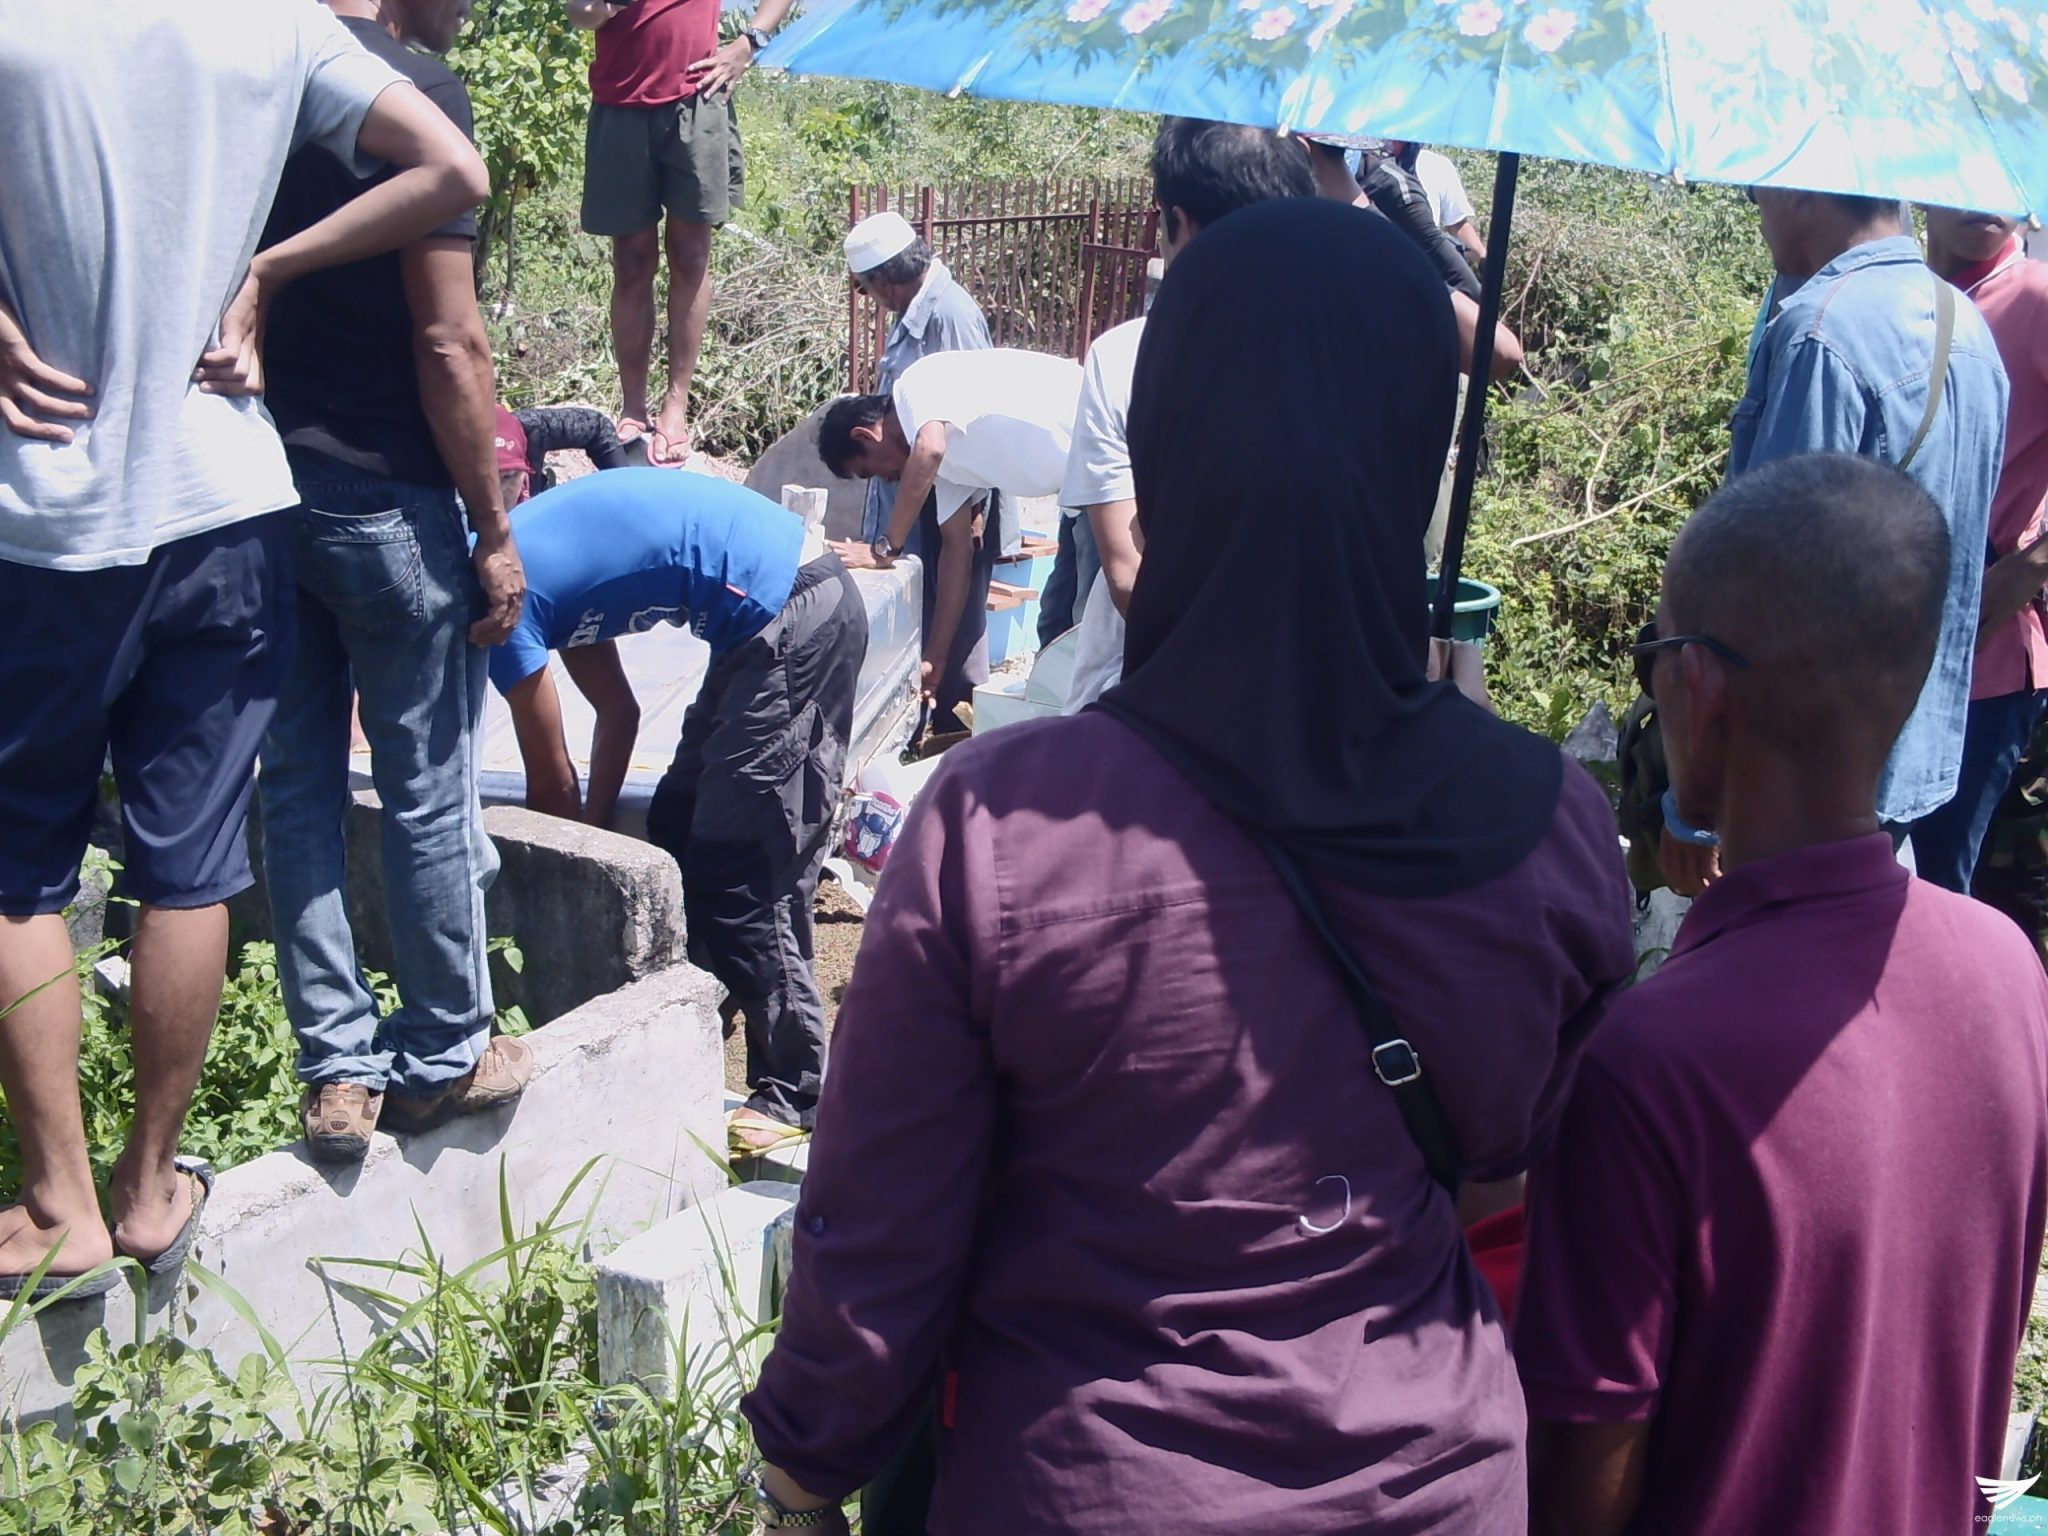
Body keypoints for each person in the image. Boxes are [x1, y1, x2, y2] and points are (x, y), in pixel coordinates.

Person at [740, 198, 1635, 1535]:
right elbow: (1509, 1187)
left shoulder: (1002, 826)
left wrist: (804, 1484)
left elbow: (879, 1244)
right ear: (1416, 460)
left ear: (1159, 452)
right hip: (1437, 1487)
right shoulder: (1549, 826)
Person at [0, 0, 489, 1293]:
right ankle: (151, 1188)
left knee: (18, 875)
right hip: (227, 501)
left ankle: (57, 1204)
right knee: (190, 869)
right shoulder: (274, 28)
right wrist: (267, 269)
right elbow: (454, 170)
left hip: (45, 517)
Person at [1518, 453, 2048, 1536]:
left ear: (1699, 689)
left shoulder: (1648, 1061)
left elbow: (1582, 1486)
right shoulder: (2008, 973)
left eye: (1653, 656)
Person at [257, 0, 531, 1167]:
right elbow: (448, 340)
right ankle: (444, 1050)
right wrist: (492, 525)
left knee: (295, 784)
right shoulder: (406, 95)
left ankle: (335, 1067)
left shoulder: (248, 77)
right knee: (426, 783)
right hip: (386, 502)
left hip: (253, 485)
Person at [488, 468, 867, 1157]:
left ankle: (797, 1090)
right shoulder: (537, 582)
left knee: (745, 867)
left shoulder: (497, 606)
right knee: (675, 823)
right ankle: (704, 1010)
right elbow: (618, 714)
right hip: (760, 621)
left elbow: (551, 789)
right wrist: (595, 836)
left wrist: (555, 895)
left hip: (794, 611)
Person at [1658, 188, 2008, 895]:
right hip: (1908, 762)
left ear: (1800, 192)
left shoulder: (1820, 332)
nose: (1757, 214)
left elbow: (1766, 589)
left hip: (1799, 787)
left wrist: (1696, 806)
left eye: (1757, 193)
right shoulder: (1968, 326)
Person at [1060, 116, 1312, 712]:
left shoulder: (1127, 356)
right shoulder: (1340, 351)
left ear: (1179, 221)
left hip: (1147, 694)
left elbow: (1127, 575)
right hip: (1301, 695)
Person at [568, 0, 792, 464]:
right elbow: (579, 14)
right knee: (631, 261)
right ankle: (633, 406)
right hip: (620, 104)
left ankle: (676, 406)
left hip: (698, 98)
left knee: (690, 255)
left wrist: (749, 43)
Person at [821, 348, 1083, 708]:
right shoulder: (947, 466)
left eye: (870, 471)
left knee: (1092, 629)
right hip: (1079, 493)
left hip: (1108, 453)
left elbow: (929, 450)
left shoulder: (916, 385)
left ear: (865, 435)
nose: (886, 479)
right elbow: (957, 552)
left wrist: (885, 549)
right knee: (1058, 624)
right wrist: (936, 658)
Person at [1910, 209, 2048, 892]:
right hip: (1884, 653)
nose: (1982, 203)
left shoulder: (2034, 296)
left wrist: (2032, 566)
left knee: (1943, 898)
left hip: (1985, 665)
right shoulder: (1905, 297)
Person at [843, 211, 993, 718]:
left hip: (956, 492)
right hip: (923, 491)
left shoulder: (950, 315)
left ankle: (956, 726)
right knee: (922, 607)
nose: (869, 298)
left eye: (865, 288)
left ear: (885, 281)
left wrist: (973, 508)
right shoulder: (912, 312)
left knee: (956, 616)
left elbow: (974, 421)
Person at [497, 403, 632, 509]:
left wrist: (626, 490)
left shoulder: (532, 428)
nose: (500, 494)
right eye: (491, 479)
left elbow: (598, 426)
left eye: (508, 477)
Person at [1388, 141, 1486, 264]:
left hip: (1427, 265)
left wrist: (1483, 258)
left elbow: (1457, 224)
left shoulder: (1438, 166)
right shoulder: (1369, 166)